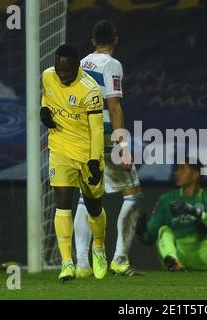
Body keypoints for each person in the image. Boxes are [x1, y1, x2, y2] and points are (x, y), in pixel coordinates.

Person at [73, 20, 143, 277]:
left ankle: (81, 264)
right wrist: (123, 144)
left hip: (80, 136)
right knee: (133, 195)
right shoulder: (112, 65)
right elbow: (113, 106)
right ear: (115, 39)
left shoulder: (79, 64)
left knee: (86, 196)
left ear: (92, 41)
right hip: (102, 134)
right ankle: (120, 260)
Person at [40, 44, 107, 282]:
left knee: (93, 208)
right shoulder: (48, 76)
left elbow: (97, 129)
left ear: (78, 67)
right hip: (59, 149)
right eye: (59, 69)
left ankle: (98, 249)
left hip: (88, 154)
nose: (62, 74)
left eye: (66, 71)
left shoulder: (90, 90)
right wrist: (44, 110)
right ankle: (66, 263)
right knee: (62, 204)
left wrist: (94, 161)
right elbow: (47, 97)